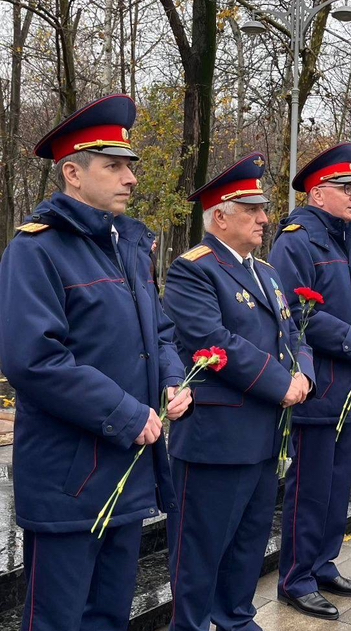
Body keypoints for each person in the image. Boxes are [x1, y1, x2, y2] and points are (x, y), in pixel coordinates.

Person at [0, 94, 192, 631]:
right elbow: (33, 359)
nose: (130, 177)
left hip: (128, 472)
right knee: (59, 618)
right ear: (72, 173)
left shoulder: (129, 247)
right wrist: (129, 416)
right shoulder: (36, 250)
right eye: (113, 166)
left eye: (130, 165)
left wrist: (175, 379)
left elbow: (159, 331)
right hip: (70, 478)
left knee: (110, 614)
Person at [162, 153, 314, 631]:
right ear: (221, 216)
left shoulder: (266, 273)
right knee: (201, 551)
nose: (265, 218)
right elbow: (215, 341)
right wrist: (282, 383)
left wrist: (304, 374)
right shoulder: (193, 271)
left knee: (248, 543)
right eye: (253, 209)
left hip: (265, 437)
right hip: (217, 438)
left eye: (263, 208)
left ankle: (236, 619)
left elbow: (294, 334)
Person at [270, 143, 351, 619]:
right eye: (347, 187)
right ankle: (295, 577)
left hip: (350, 384)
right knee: (310, 487)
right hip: (318, 385)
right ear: (318, 194)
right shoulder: (295, 242)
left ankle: (323, 563)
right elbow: (295, 314)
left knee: (339, 483)